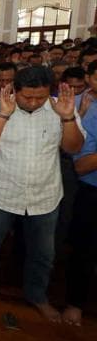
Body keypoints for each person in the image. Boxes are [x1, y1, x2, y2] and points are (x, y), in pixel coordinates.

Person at [0, 67, 85, 322]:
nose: (32, 102)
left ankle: (37, 295)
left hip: (44, 194)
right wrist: (4, 115)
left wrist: (67, 119)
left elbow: (73, 147)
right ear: (14, 90)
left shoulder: (60, 108)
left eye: (39, 97)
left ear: (48, 92)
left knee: (43, 252)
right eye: (26, 97)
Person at [63, 103, 97, 326]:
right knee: (85, 251)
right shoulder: (95, 112)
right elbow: (82, 165)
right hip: (93, 192)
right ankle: (76, 302)